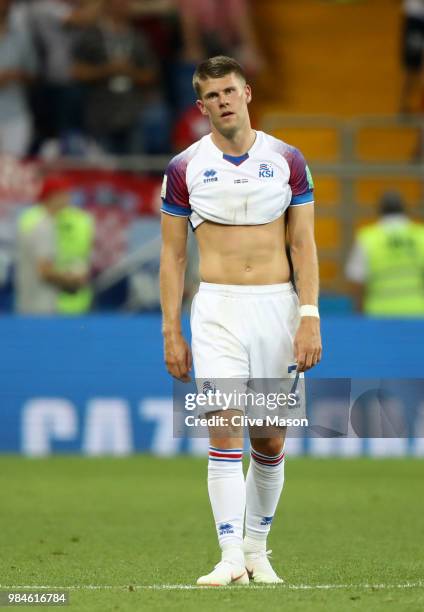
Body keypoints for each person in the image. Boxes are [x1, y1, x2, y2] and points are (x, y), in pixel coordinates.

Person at [159, 56, 321, 586]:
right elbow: (173, 257)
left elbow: (303, 244)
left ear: (247, 93)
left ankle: (257, 550)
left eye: (229, 90)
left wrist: (309, 316)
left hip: (276, 305)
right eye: (211, 95)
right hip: (217, 309)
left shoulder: (288, 159)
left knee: (270, 439)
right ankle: (229, 556)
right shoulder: (184, 167)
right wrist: (171, 330)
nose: (222, 101)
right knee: (223, 426)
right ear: (200, 104)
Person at [72, 0, 161, 155]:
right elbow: (77, 71)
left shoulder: (138, 38)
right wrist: (107, 70)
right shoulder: (92, 35)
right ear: (107, 4)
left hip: (132, 113)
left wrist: (129, 71)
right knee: (104, 171)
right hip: (100, 114)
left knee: (134, 171)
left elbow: (151, 75)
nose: (123, 5)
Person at [15, 175, 94, 314]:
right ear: (53, 196)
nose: (68, 199)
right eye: (64, 194)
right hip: (39, 308)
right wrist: (72, 279)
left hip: (34, 303)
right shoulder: (43, 227)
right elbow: (44, 272)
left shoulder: (43, 223)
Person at [345, 191, 424, 317]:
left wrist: (359, 311)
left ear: (379, 210)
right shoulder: (420, 235)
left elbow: (357, 280)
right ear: (405, 209)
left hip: (379, 313)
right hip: (418, 312)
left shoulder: (368, 238)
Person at [0, 0, 38, 157]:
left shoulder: (22, 35)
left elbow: (34, 74)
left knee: (13, 170)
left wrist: (17, 74)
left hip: (15, 114)